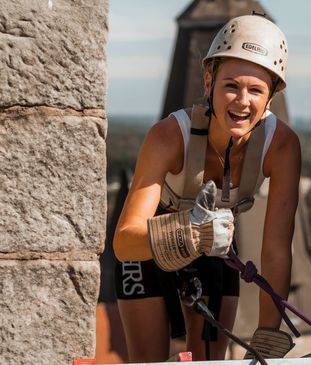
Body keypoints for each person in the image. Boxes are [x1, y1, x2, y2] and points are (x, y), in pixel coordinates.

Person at [113, 13, 301, 362]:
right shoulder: (169, 137)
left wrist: (268, 333)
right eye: (231, 85)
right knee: (148, 361)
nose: (242, 101)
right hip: (148, 253)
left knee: (210, 362)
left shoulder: (282, 146)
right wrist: (193, 231)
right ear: (208, 81)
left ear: (270, 99)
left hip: (214, 249)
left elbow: (276, 250)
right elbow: (125, 243)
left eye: (256, 90)